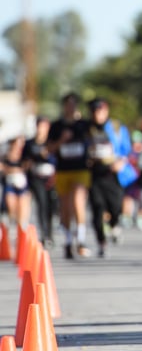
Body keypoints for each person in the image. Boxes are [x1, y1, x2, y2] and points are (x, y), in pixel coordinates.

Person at [86, 98, 135, 257]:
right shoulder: (86, 128)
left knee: (115, 205)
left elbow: (127, 150)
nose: (97, 114)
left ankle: (114, 224)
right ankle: (101, 242)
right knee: (97, 207)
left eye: (100, 111)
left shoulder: (116, 127)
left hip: (113, 174)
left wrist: (121, 162)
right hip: (94, 173)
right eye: (95, 111)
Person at [47, 92, 91, 259]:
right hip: (63, 170)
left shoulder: (84, 125)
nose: (70, 108)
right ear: (64, 106)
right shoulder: (56, 126)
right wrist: (62, 141)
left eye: (74, 104)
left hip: (81, 170)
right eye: (68, 104)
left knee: (78, 202)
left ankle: (80, 239)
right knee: (65, 208)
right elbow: (49, 149)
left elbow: (94, 141)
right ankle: (67, 241)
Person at [24, 116, 56, 247]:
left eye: (44, 126)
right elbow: (24, 161)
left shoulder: (51, 142)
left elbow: (58, 158)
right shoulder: (30, 143)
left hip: (51, 177)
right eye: (39, 126)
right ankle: (44, 234)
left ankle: (50, 233)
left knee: (51, 206)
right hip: (36, 178)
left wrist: (48, 155)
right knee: (41, 204)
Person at [2, 135, 33, 237]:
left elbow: (28, 166)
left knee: (23, 208)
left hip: (23, 185)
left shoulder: (24, 155)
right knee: (11, 207)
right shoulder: (6, 156)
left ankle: (22, 231)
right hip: (10, 184)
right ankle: (12, 227)